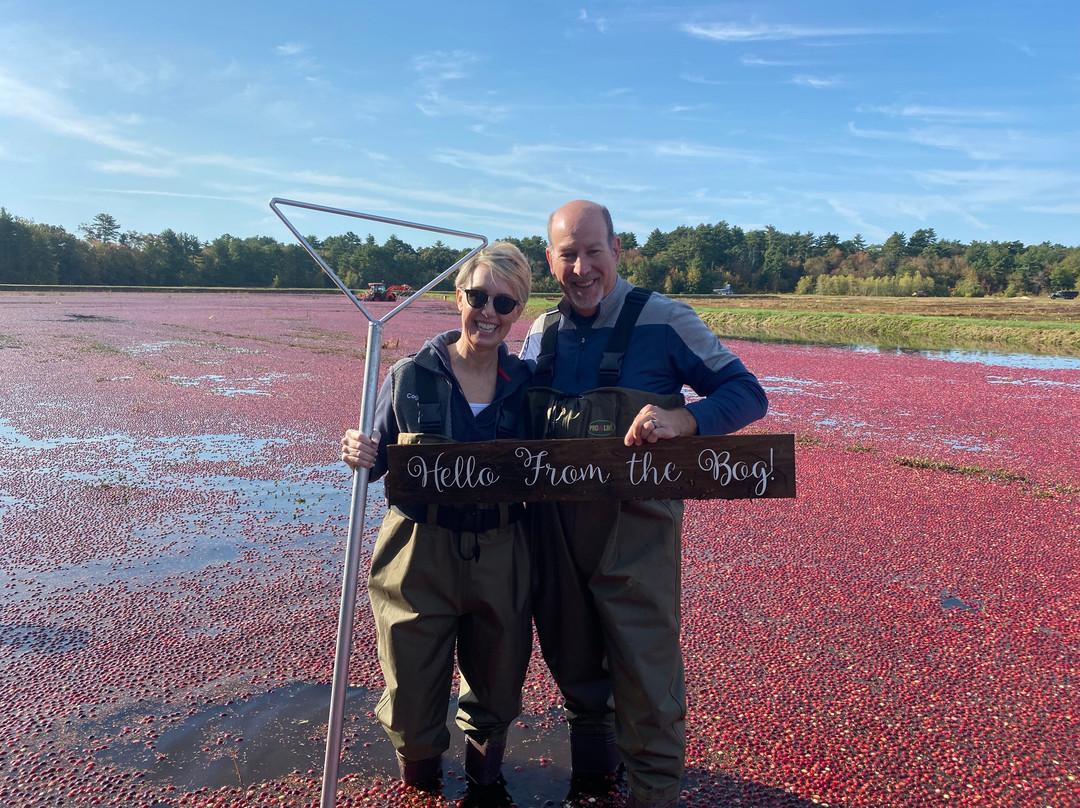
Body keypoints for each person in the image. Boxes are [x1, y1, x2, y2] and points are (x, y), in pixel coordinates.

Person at [520, 200, 769, 808]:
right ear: (549, 258)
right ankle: (592, 781)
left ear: (616, 249)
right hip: (554, 528)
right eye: (567, 254)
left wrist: (686, 419)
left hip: (637, 532)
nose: (581, 268)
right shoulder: (539, 331)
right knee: (571, 656)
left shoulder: (665, 319)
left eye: (592, 251)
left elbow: (747, 394)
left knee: (645, 668)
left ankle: (654, 793)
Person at [340, 241, 534, 808]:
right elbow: (373, 465)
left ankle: (484, 784)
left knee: (498, 678)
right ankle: (420, 788)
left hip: (501, 547)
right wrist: (358, 451)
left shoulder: (527, 387)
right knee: (411, 684)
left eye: (505, 301)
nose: (489, 312)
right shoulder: (408, 376)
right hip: (416, 551)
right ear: (459, 297)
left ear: (518, 310)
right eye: (479, 297)